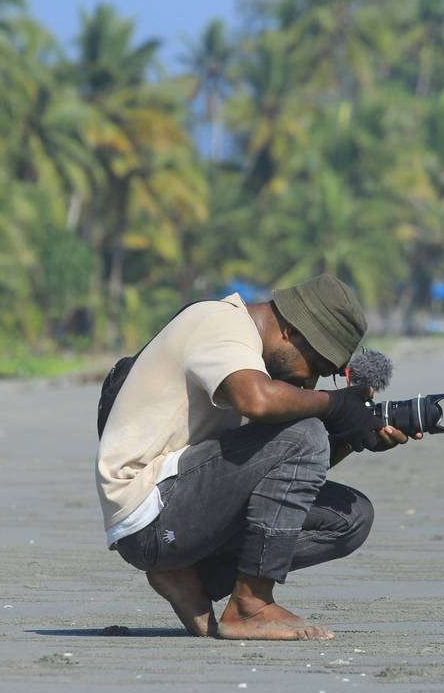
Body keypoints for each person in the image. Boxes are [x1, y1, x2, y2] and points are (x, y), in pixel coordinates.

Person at [94, 274, 421, 641]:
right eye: (315, 367)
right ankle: (251, 605)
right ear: (291, 332)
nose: (310, 383)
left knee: (352, 517)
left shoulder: (251, 362)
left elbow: (281, 480)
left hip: (183, 509)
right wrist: (335, 406)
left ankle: (189, 575)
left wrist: (351, 437)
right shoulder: (221, 325)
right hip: (148, 512)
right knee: (308, 431)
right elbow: (260, 403)